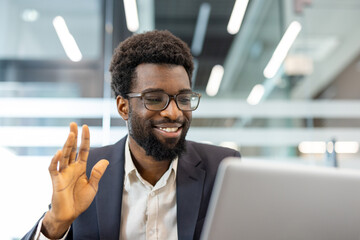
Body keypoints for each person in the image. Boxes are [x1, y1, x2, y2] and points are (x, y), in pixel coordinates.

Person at [22, 30, 240, 240]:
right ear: (123, 107)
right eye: (154, 99)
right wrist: (55, 224)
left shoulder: (222, 168)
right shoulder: (86, 171)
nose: (174, 112)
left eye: (183, 99)